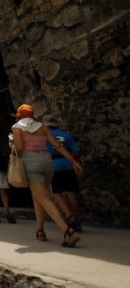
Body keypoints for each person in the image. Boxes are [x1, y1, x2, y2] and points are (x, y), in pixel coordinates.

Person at [11, 104, 83, 247]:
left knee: (43, 197)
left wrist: (12, 142)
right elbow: (57, 146)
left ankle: (67, 231)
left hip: (31, 163)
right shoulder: (42, 127)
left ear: (19, 116)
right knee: (37, 196)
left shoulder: (17, 127)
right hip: (47, 162)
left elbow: (19, 148)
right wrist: (74, 162)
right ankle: (40, 231)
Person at [43, 114, 83, 232]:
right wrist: (73, 161)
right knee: (71, 192)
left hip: (53, 166)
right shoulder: (66, 135)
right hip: (67, 164)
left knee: (57, 192)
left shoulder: (44, 135)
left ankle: (68, 216)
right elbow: (76, 151)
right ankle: (76, 219)